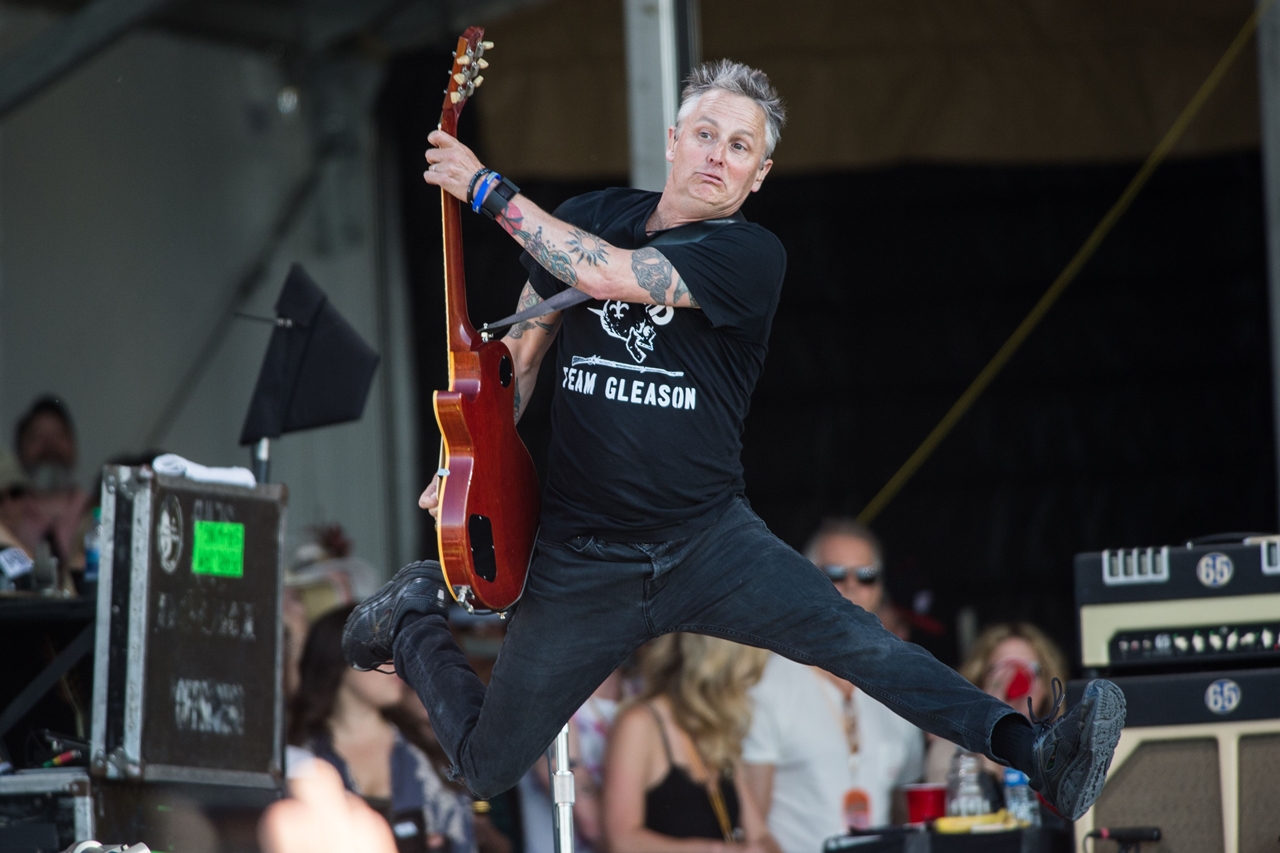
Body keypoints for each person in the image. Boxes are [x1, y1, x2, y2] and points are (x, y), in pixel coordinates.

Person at [342, 59, 1124, 823]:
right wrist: (470, 458)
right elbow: (524, 356)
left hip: (707, 542)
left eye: (740, 146)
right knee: (486, 763)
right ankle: (411, 618)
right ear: (674, 139)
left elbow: (614, 275)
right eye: (706, 134)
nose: (718, 155)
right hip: (582, 555)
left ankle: (1034, 746)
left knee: (863, 646)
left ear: (760, 174)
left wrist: (487, 189)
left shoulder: (750, 256)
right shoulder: (586, 214)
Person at [741, 520, 923, 850]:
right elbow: (752, 830)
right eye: (835, 574)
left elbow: (905, 815)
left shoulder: (899, 688)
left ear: (880, 588)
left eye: (866, 575)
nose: (852, 586)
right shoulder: (768, 681)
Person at [291, 606, 475, 853]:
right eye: (380, 649)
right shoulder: (301, 757)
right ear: (340, 656)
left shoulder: (426, 748)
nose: (396, 661)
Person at [603, 634, 777, 853]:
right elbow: (620, 840)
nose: (744, 689)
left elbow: (760, 835)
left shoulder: (717, 730)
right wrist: (716, 850)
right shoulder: (640, 723)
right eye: (740, 677)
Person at [924, 623, 1070, 787]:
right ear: (981, 681)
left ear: (1046, 685)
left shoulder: (1062, 749)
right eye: (1003, 670)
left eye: (1030, 670)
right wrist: (993, 726)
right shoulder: (949, 752)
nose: (1016, 680)